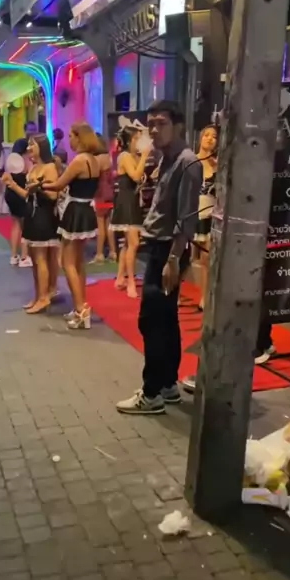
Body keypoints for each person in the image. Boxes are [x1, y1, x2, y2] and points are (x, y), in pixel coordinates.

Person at [116, 100, 202, 415]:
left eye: (161, 123)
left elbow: (186, 218)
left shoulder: (187, 163)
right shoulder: (166, 158)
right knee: (164, 319)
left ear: (178, 126)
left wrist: (173, 259)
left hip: (169, 250)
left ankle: (152, 392)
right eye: (150, 123)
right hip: (159, 247)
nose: (153, 129)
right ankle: (167, 384)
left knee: (152, 320)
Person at [44, 122, 100, 330]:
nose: (69, 139)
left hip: (75, 210)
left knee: (67, 262)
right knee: (78, 262)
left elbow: (59, 184)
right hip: (86, 210)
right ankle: (81, 305)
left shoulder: (79, 160)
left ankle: (80, 309)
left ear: (79, 137)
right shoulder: (94, 160)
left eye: (71, 135)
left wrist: (39, 185)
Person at [3, 134, 60, 314]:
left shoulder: (50, 168)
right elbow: (28, 195)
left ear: (41, 147)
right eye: (28, 145)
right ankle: (38, 295)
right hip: (31, 215)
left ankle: (44, 297)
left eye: (32, 145)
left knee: (41, 258)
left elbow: (54, 195)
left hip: (44, 217)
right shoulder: (34, 168)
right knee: (35, 260)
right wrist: (12, 184)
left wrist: (39, 188)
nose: (29, 149)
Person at [110, 127, 151, 298]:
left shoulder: (135, 157)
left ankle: (120, 278)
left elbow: (140, 179)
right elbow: (135, 176)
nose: (140, 142)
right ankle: (131, 282)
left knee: (128, 244)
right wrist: (145, 156)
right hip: (126, 202)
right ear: (130, 141)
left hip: (133, 201)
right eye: (137, 138)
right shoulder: (125, 156)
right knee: (133, 243)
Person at [194, 125, 218, 311]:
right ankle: (173, 293)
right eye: (206, 135)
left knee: (206, 259)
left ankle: (205, 297)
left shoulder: (219, 164)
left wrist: (218, 169)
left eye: (214, 136)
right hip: (192, 213)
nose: (210, 138)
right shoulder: (191, 161)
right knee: (184, 258)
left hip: (211, 214)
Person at [3, 138, 33, 268]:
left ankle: (14, 256)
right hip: (21, 194)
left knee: (15, 224)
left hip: (10, 194)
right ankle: (25, 257)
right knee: (26, 225)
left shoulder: (11, 160)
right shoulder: (26, 161)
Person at [91, 134, 115, 263]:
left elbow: (93, 176)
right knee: (108, 225)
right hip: (109, 193)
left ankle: (99, 254)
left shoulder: (97, 160)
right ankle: (113, 252)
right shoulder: (108, 157)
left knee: (100, 225)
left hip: (100, 194)